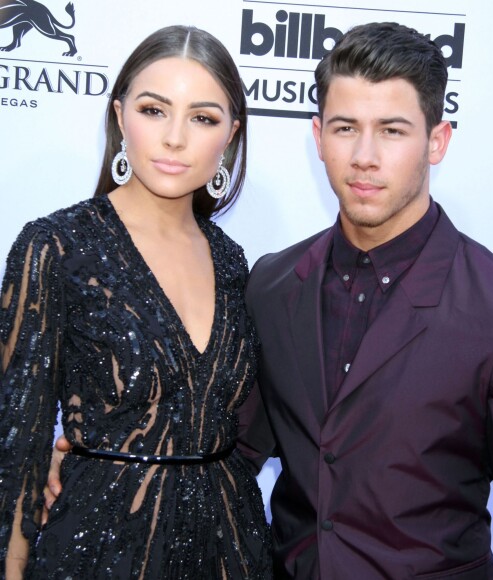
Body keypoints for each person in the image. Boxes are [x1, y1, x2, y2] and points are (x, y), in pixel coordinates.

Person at [242, 22, 493, 579]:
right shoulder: (274, 285)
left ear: (437, 140)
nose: (365, 156)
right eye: (346, 127)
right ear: (318, 135)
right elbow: (229, 453)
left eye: (393, 130)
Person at [0, 25, 272, 579]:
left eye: (203, 118)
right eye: (154, 110)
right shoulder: (56, 245)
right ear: (120, 116)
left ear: (230, 135)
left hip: (232, 547)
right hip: (98, 549)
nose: (175, 138)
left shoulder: (233, 261)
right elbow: (18, 449)